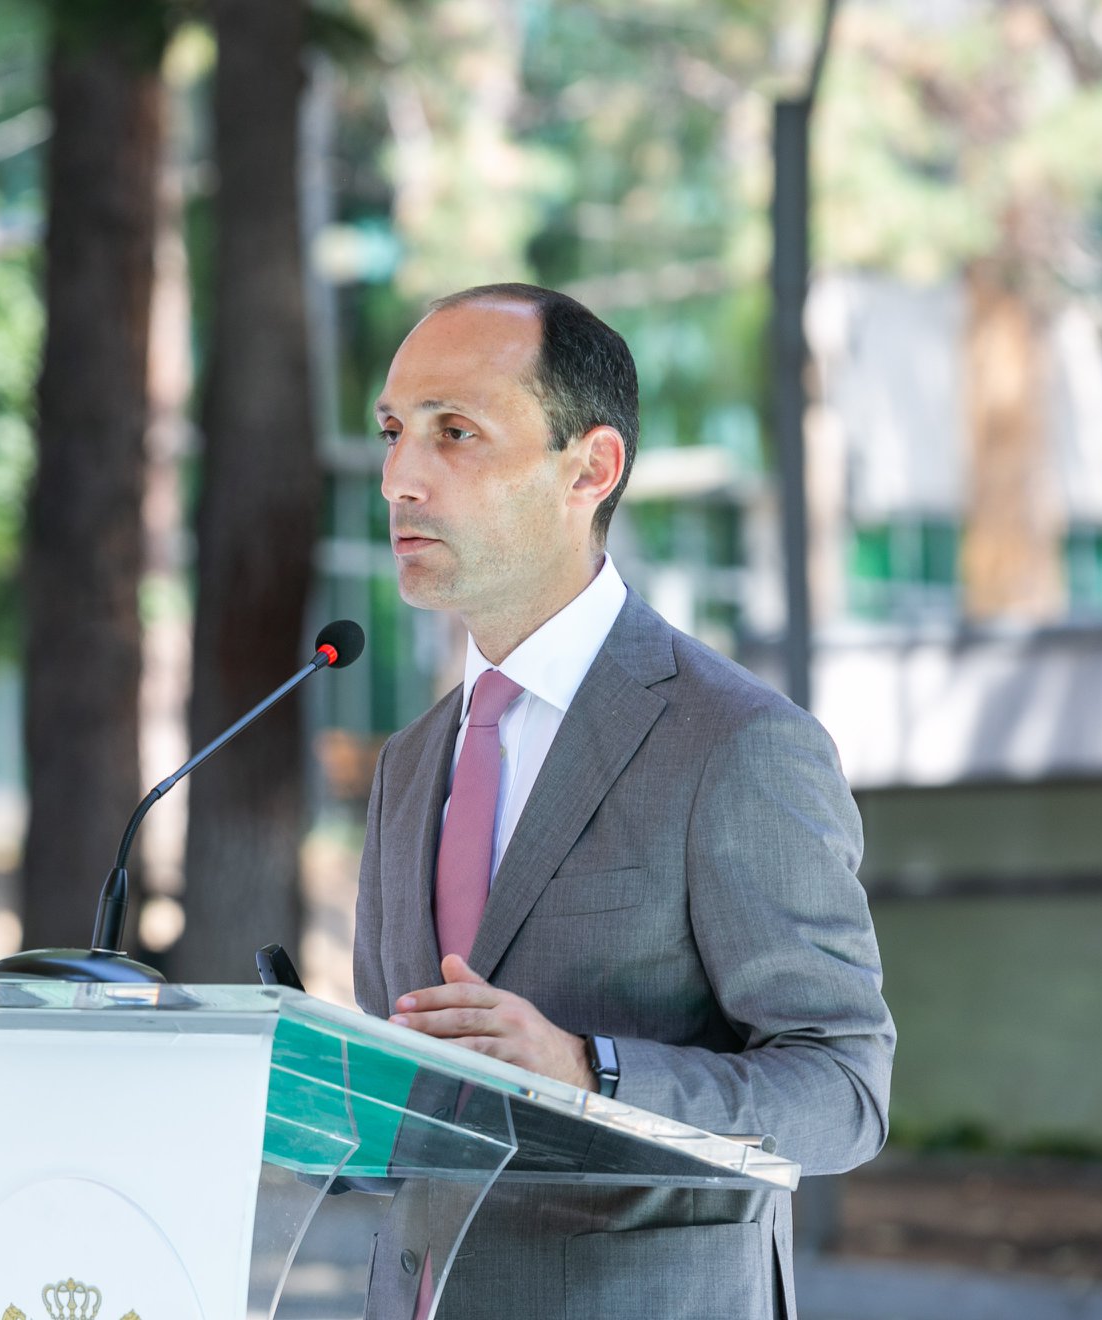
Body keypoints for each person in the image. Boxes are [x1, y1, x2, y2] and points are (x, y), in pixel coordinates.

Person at [352, 283, 894, 1320]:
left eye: (454, 432)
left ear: (590, 468)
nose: (399, 479)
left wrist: (588, 1072)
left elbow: (844, 1092)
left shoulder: (735, 742)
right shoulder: (409, 764)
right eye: (393, 433)